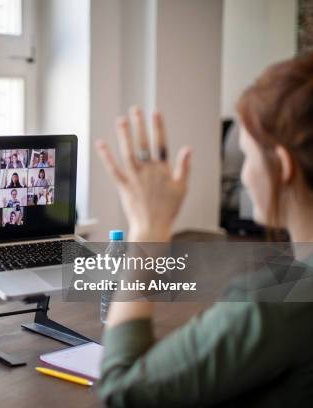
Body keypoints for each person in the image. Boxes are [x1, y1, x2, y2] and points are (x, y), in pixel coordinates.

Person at [95, 55, 313, 407]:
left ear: (283, 166)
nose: (243, 176)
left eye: (247, 156)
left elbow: (122, 392)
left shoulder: (272, 303)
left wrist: (148, 232)